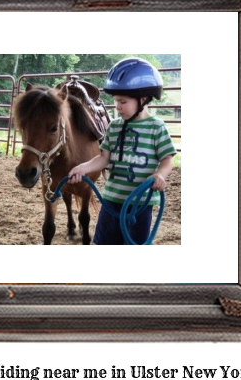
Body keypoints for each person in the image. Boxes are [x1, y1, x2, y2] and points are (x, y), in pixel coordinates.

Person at [68, 57, 177, 245]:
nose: (117, 106)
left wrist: (160, 174)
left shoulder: (156, 127)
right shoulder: (115, 127)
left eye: (123, 102)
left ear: (143, 99)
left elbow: (168, 160)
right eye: (116, 101)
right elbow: (103, 158)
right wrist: (82, 168)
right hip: (111, 201)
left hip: (140, 205)